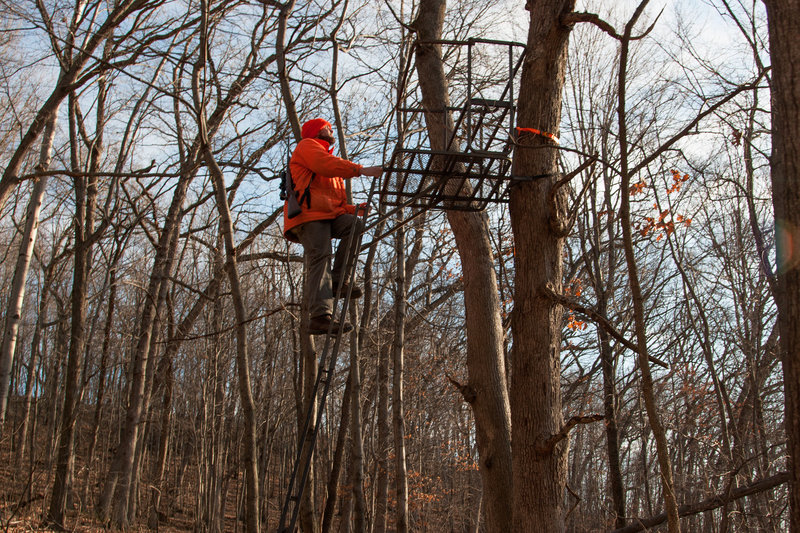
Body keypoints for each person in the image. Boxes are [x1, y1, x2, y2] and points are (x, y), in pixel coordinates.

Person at [283, 118, 382, 335]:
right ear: (317, 131)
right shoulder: (308, 147)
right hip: (307, 216)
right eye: (327, 127)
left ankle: (339, 281)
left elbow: (331, 202)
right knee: (321, 256)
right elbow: (323, 166)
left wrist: (351, 209)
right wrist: (361, 170)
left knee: (354, 225)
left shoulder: (329, 158)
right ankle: (319, 317)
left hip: (326, 215)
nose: (331, 130)